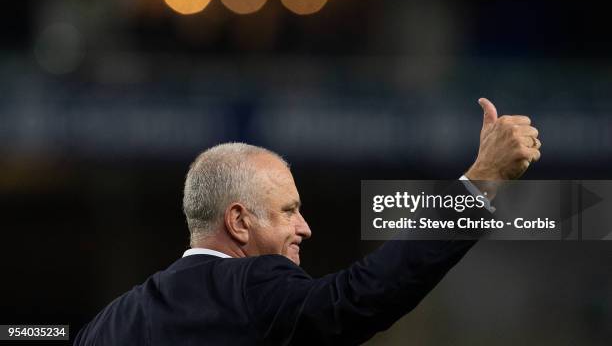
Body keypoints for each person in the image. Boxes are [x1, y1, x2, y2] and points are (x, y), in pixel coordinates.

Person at [74, 98, 541, 345]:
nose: (304, 227)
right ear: (239, 222)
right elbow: (361, 296)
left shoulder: (109, 324)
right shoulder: (248, 287)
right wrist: (481, 181)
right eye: (288, 210)